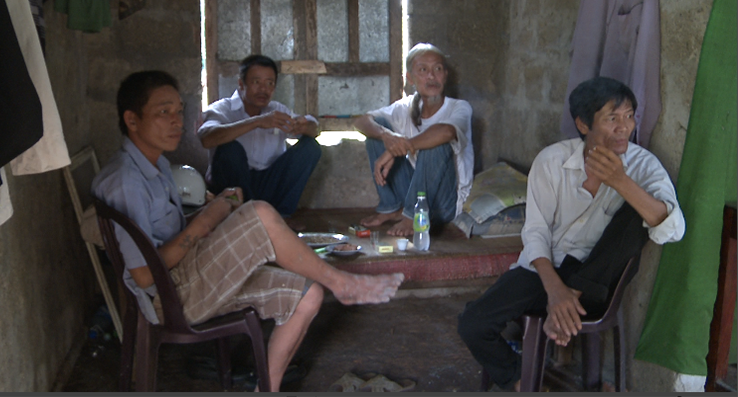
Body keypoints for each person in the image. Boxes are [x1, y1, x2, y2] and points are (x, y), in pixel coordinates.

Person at [92, 71, 404, 392]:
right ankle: (342, 283)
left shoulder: (154, 165)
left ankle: (266, 389)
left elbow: (169, 233)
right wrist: (207, 220)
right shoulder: (126, 182)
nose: (177, 121)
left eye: (179, 111)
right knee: (260, 213)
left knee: (308, 295)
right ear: (132, 120)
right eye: (163, 112)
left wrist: (215, 210)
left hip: (189, 274)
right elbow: (144, 275)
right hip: (170, 296)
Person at [457, 77, 685, 391]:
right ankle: (523, 382)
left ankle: (569, 304)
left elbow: (674, 230)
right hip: (542, 271)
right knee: (473, 323)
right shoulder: (552, 161)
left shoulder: (643, 166)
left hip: (597, 280)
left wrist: (621, 182)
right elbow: (535, 232)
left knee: (639, 210)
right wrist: (556, 292)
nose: (624, 127)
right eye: (612, 118)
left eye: (630, 116)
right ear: (583, 124)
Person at [353, 43, 474, 237]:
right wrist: (387, 137)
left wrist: (395, 150)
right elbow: (361, 121)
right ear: (410, 78)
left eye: (438, 69)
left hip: (444, 202)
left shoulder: (460, 107)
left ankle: (413, 215)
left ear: (445, 75)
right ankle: (392, 208)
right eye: (423, 70)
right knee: (379, 129)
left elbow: (446, 132)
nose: (431, 76)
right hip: (411, 193)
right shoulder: (406, 107)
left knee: (436, 141)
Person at [197, 55, 321, 221]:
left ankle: (282, 217)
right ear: (241, 84)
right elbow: (206, 138)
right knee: (229, 149)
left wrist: (304, 126)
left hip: (268, 184)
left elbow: (315, 128)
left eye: (270, 83)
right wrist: (257, 122)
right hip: (235, 187)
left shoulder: (277, 110)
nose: (263, 89)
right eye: (256, 82)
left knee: (311, 147)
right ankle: (242, 217)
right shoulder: (222, 109)